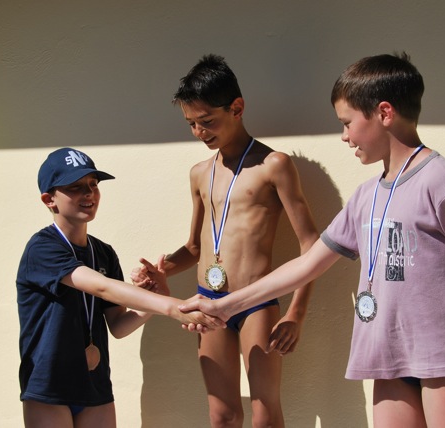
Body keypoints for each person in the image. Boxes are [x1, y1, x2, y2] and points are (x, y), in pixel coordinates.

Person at [180, 53, 445, 428]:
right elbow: (308, 264)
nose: (344, 136)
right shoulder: (365, 196)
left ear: (384, 113)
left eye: (347, 123)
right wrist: (226, 306)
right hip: (388, 361)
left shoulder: (443, 182)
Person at [133, 54, 319, 428]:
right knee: (222, 415)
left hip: (256, 302)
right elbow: (196, 247)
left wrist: (296, 314)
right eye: (191, 124)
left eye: (207, 121)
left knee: (265, 413)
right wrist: (164, 269)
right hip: (207, 300)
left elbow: (311, 244)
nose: (199, 132)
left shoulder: (273, 165)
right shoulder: (200, 173)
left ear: (237, 108)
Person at [16, 147, 222, 428]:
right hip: (49, 383)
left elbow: (118, 326)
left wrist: (155, 298)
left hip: (95, 383)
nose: (89, 193)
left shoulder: (103, 252)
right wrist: (176, 307)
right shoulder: (42, 248)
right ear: (49, 199)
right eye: (75, 187)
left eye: (93, 184)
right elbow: (102, 287)